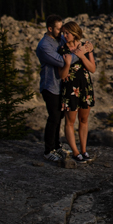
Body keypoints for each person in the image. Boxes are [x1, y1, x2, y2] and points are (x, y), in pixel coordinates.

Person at [35, 14, 78, 162]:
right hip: (50, 86)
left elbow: (70, 47)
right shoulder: (44, 46)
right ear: (50, 28)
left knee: (59, 116)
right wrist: (81, 53)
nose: (61, 32)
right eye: (59, 29)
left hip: (60, 86)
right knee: (53, 117)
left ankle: (56, 145)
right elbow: (61, 62)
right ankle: (48, 151)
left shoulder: (58, 40)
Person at [58, 21, 96, 163]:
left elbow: (92, 68)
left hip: (85, 87)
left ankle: (84, 150)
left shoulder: (85, 47)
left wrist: (82, 55)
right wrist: (68, 63)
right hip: (70, 89)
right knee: (70, 121)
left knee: (84, 120)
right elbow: (62, 75)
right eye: (63, 33)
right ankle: (75, 151)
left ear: (75, 33)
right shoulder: (62, 50)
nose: (65, 35)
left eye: (67, 33)